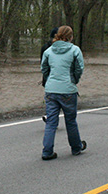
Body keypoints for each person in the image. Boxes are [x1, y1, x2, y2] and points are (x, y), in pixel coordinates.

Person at [40, 25, 86, 160]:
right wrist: (74, 80)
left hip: (51, 90)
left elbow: (44, 69)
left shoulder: (48, 51)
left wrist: (50, 81)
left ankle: (47, 152)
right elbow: (79, 69)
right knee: (70, 121)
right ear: (70, 37)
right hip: (68, 90)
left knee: (51, 122)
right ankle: (76, 147)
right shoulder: (75, 50)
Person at [40, 27, 59, 122]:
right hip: (52, 78)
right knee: (53, 100)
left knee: (52, 100)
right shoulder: (47, 48)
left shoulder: (45, 48)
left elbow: (43, 66)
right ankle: (51, 117)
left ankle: (52, 117)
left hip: (50, 79)